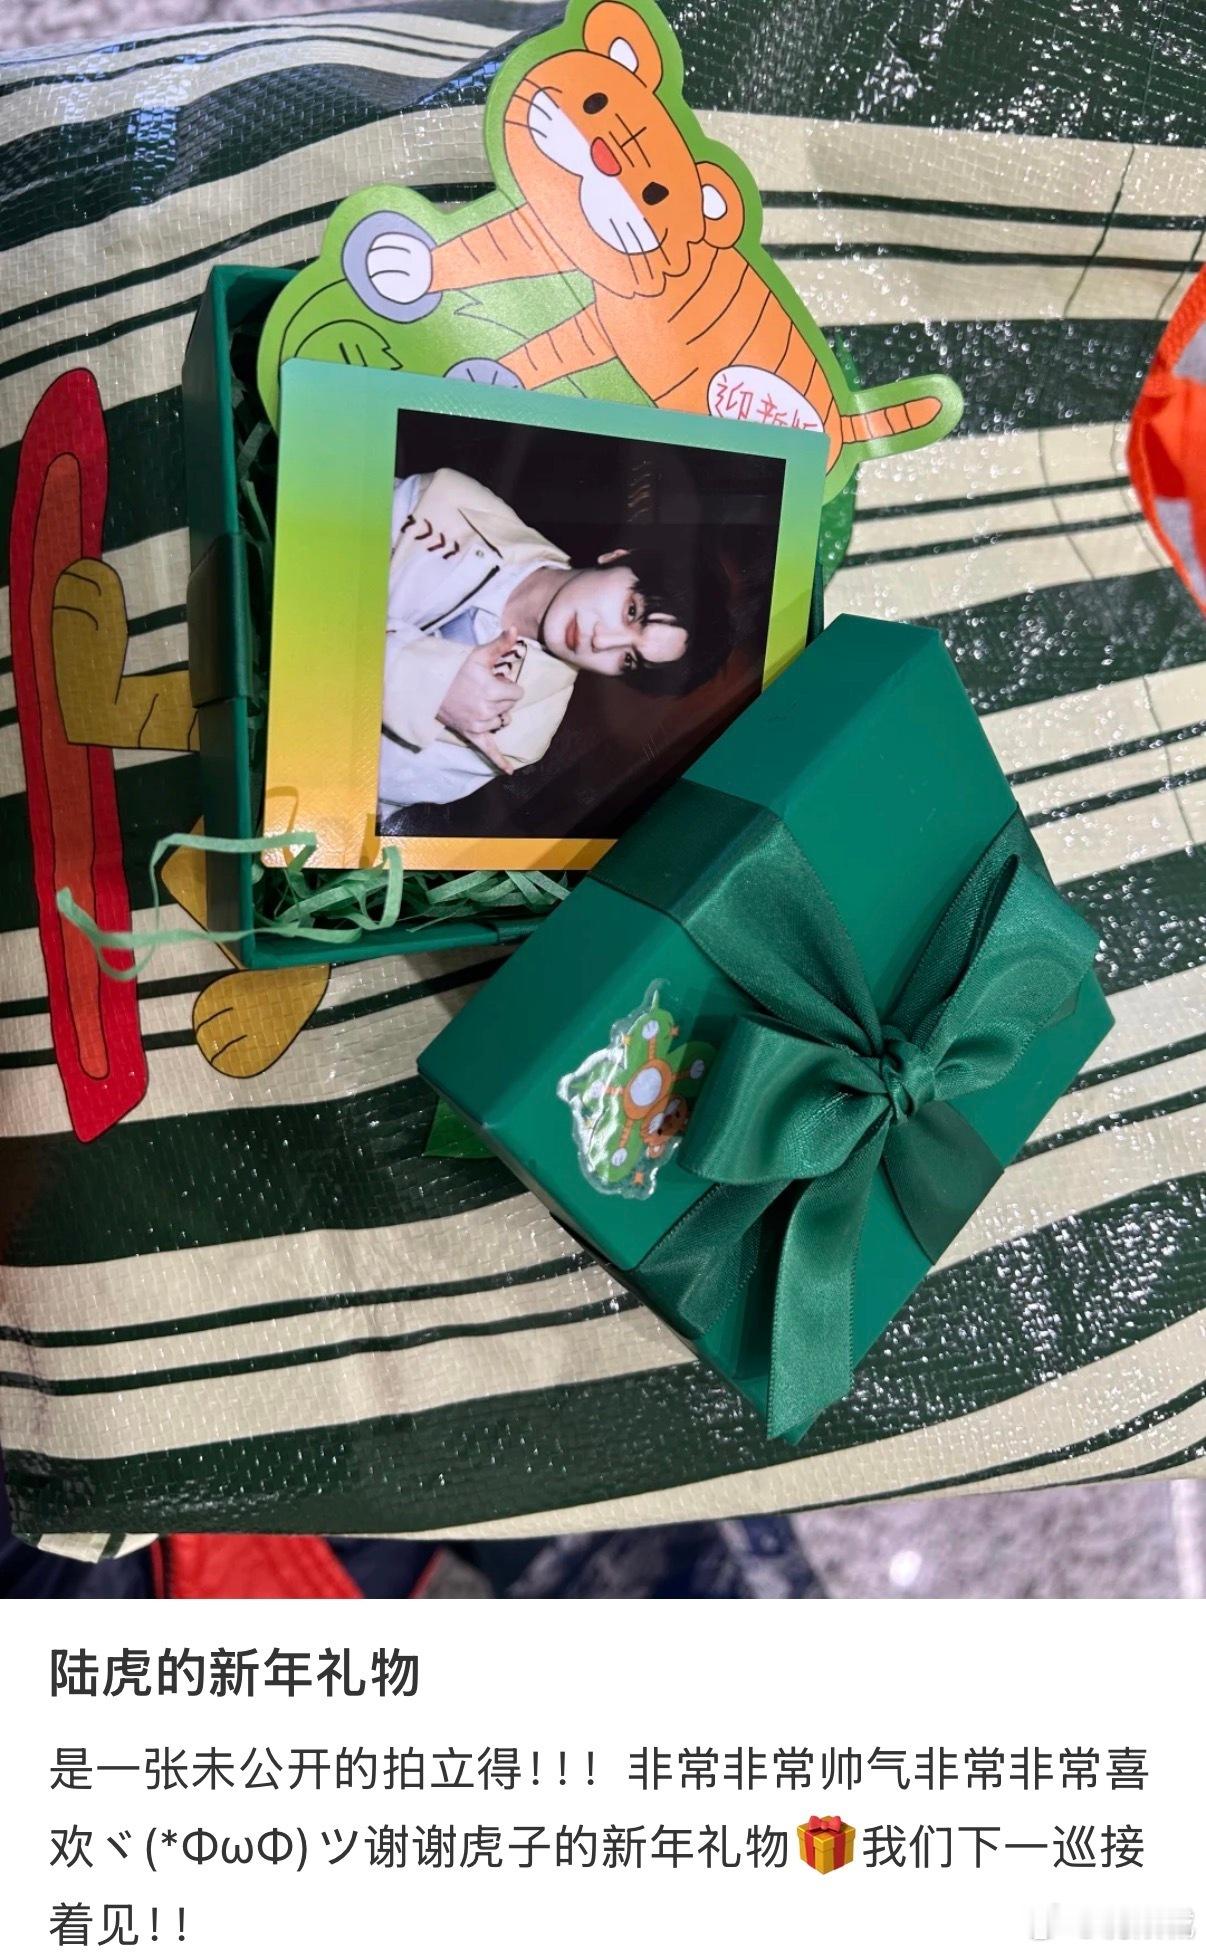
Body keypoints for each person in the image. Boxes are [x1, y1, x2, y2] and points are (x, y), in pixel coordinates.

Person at [378, 466, 735, 821]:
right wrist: (427, 683)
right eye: (631, 611)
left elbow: (354, 777)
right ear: (617, 556)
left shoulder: (519, 730)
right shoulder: (457, 505)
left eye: (628, 659)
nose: (602, 641)